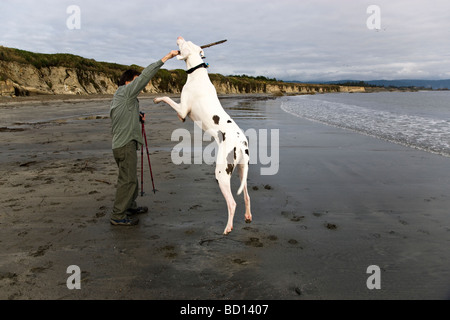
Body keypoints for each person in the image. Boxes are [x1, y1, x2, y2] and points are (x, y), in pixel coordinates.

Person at [110, 50, 179, 226]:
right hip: (124, 145)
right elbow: (146, 76)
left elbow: (120, 115)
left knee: (129, 177)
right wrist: (166, 57)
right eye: (135, 81)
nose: (139, 85)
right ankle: (118, 215)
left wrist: (137, 116)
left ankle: (130, 206)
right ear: (127, 82)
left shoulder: (123, 98)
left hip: (124, 144)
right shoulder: (125, 92)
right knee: (128, 180)